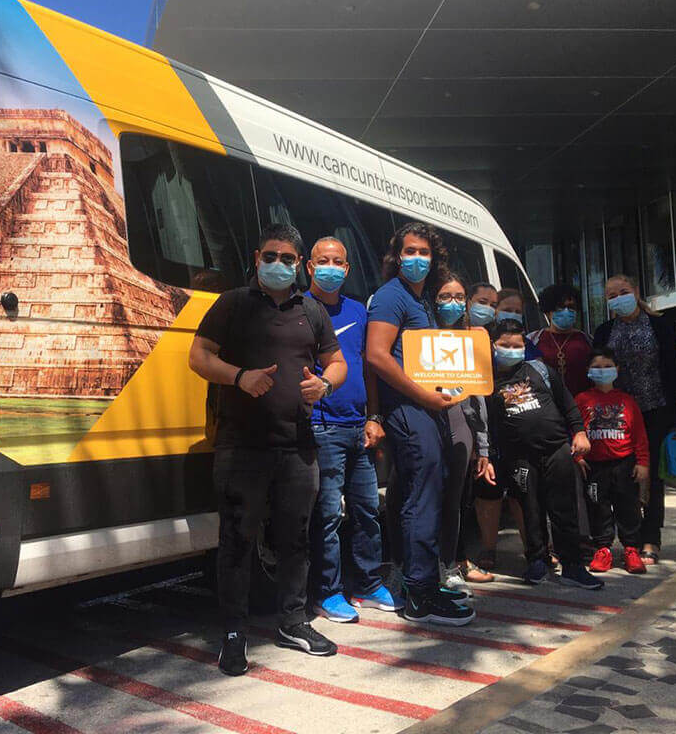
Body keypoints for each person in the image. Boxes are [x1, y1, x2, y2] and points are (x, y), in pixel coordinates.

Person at [188, 223, 348, 676]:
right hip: (242, 446)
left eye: (289, 259)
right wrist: (240, 377)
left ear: (301, 265)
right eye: (272, 256)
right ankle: (234, 633)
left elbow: (337, 362)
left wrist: (324, 383)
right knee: (237, 540)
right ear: (258, 257)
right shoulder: (233, 303)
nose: (280, 265)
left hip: (297, 446)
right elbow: (198, 357)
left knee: (295, 538)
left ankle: (293, 621)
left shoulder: (311, 310)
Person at [366, 221, 475, 626]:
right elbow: (377, 356)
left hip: (427, 408)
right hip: (410, 411)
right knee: (421, 497)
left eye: (424, 252)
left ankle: (424, 580)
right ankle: (420, 594)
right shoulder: (392, 297)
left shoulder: (422, 299)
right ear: (396, 256)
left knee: (429, 492)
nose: (416, 259)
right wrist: (422, 397)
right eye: (409, 251)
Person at [304, 236, 396, 623]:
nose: (330, 267)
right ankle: (327, 593)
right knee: (326, 515)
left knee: (368, 510)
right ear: (309, 267)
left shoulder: (358, 311)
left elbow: (367, 370)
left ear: (347, 269)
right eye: (322, 260)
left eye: (337, 261)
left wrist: (374, 417)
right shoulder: (299, 310)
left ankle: (369, 585)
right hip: (320, 427)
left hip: (359, 427)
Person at [488, 319, 602, 589]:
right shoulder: (486, 381)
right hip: (519, 458)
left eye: (518, 345)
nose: (512, 350)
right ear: (492, 345)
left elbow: (568, 404)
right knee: (530, 509)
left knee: (564, 508)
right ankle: (536, 561)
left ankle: (573, 565)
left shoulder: (540, 370)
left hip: (557, 450)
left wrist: (579, 432)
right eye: (505, 345)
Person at [593, 274, 676, 566]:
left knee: (653, 477)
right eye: (611, 295)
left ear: (635, 291)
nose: (617, 298)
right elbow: (599, 368)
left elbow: (673, 369)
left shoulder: (659, 326)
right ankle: (626, 541)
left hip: (655, 409)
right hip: (617, 415)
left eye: (623, 292)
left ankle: (651, 538)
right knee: (622, 477)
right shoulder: (604, 330)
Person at [433, 273, 496, 595]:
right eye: (445, 296)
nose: (453, 303)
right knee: (423, 499)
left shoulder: (472, 338)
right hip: (424, 421)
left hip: (461, 424)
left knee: (453, 501)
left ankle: (449, 564)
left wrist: (483, 447)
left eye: (459, 297)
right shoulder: (419, 334)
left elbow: (478, 398)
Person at [575, 347, 650, 575]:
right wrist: (578, 456)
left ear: (617, 369)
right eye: (596, 367)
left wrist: (643, 463)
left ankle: (630, 549)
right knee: (598, 508)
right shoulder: (582, 399)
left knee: (628, 507)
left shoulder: (627, 401)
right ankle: (603, 549)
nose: (602, 371)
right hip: (595, 466)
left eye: (607, 366)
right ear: (588, 371)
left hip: (624, 464)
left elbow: (639, 434)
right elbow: (575, 430)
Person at [529, 284, 593, 397]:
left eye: (571, 307)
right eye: (560, 307)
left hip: (582, 404)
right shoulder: (533, 339)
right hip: (548, 405)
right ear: (548, 311)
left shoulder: (587, 340)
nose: (566, 311)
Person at [496, 288, 542, 360]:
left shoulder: (528, 345)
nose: (512, 315)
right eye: (507, 310)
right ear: (495, 310)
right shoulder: (483, 338)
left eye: (517, 312)